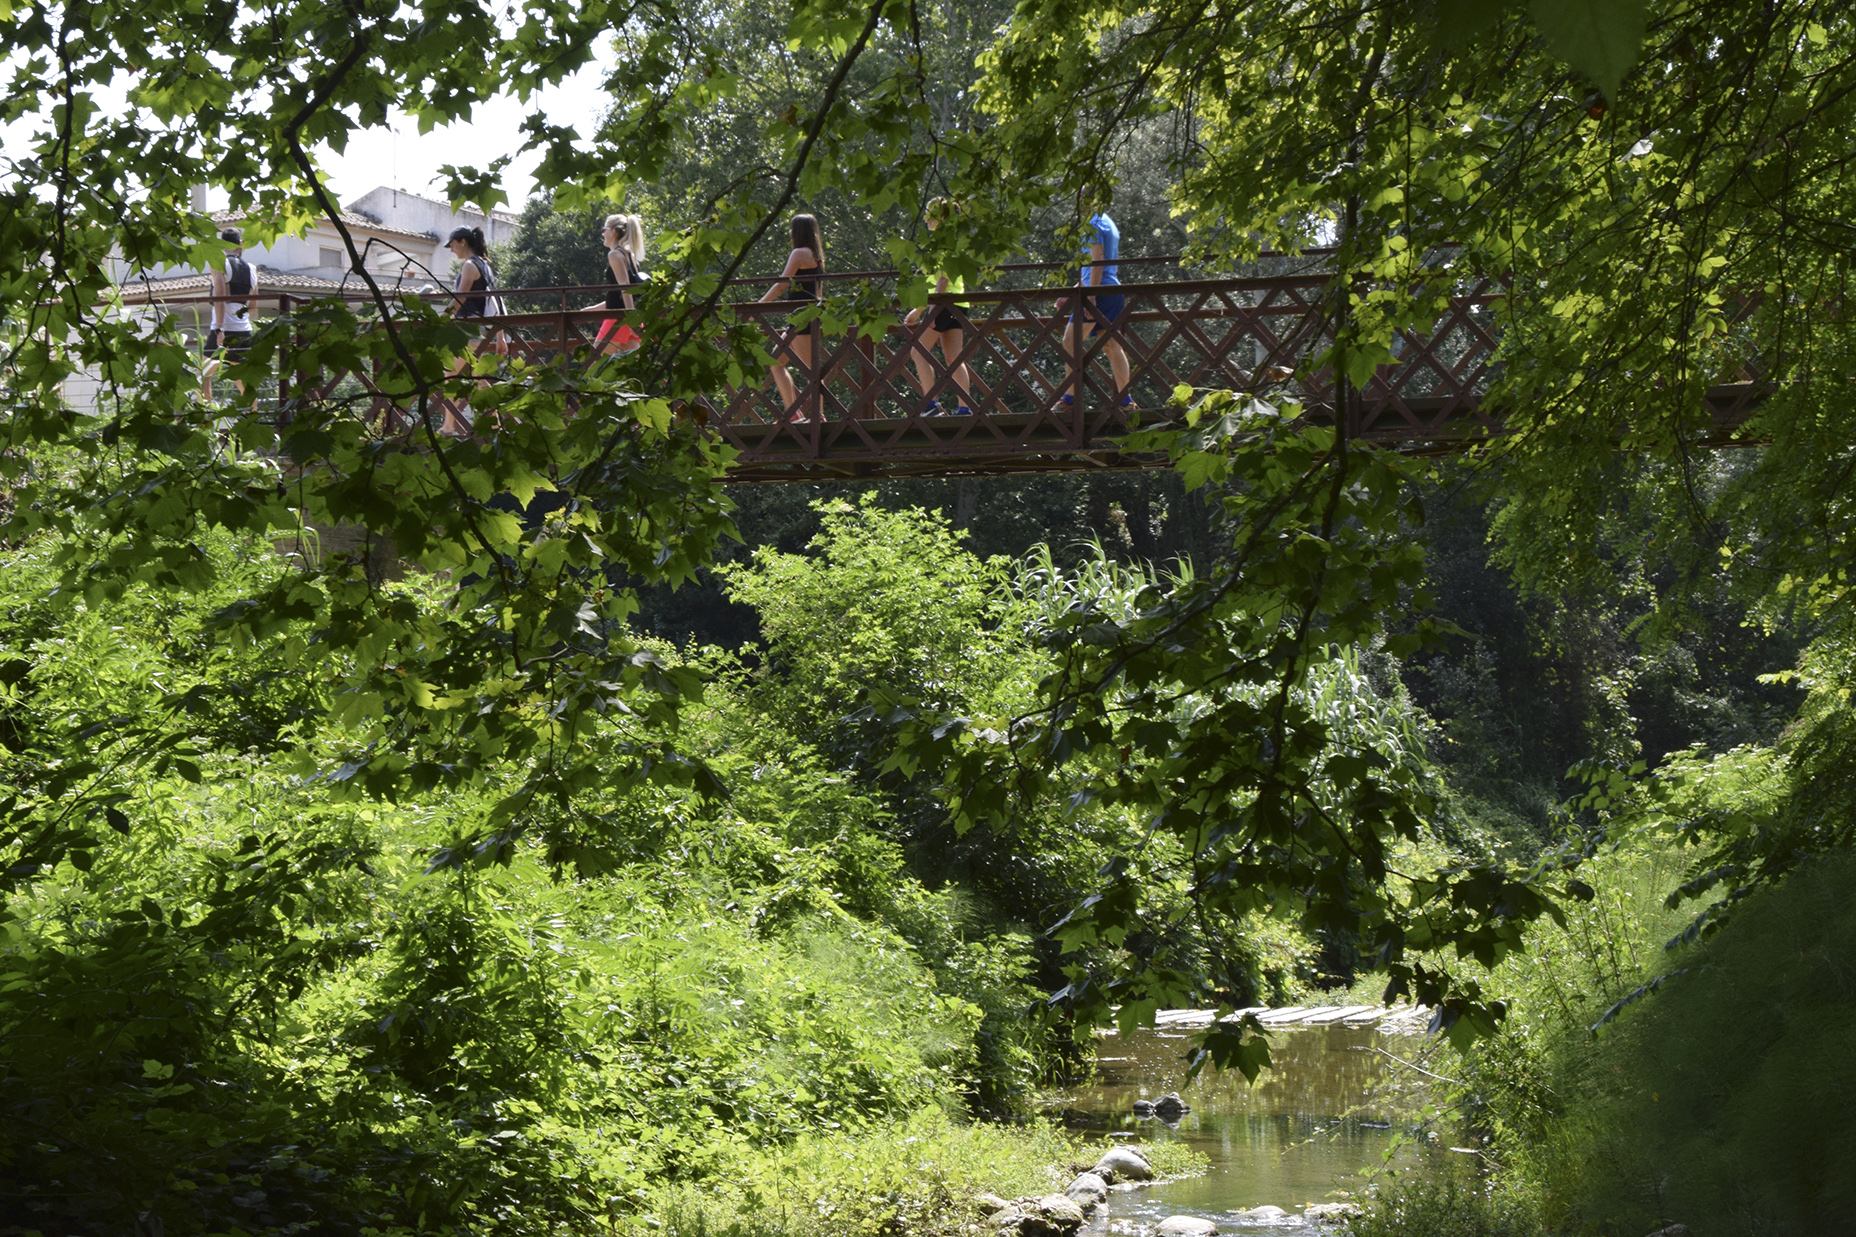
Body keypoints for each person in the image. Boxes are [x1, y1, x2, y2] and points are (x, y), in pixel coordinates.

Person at [1058, 196, 1132, 410]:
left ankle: (1070, 399)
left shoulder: (1092, 222)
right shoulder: (1106, 220)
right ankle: (1126, 401)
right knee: (1111, 346)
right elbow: (1090, 265)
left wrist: (1091, 296)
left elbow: (1097, 258)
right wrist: (1073, 291)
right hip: (1111, 289)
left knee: (1070, 341)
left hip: (1100, 291)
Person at [905, 199, 975, 416]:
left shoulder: (940, 243)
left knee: (918, 352)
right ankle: (965, 408)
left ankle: (931, 405)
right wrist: (918, 310)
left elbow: (940, 280)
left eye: (930, 215)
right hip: (959, 304)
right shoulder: (955, 241)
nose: (926, 219)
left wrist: (925, 310)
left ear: (942, 217)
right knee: (954, 358)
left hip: (943, 303)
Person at [758, 214, 826, 422]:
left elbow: (781, 284)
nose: (789, 233)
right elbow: (819, 292)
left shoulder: (799, 254)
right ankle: (794, 413)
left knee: (811, 372)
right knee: (775, 361)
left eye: (791, 229)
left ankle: (818, 417)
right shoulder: (817, 257)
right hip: (800, 319)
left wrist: (758, 307)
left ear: (797, 232)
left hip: (802, 320)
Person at [440, 226, 505, 437]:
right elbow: (496, 301)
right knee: (479, 377)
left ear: (462, 242)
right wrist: (500, 336)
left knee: (450, 373)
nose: (451, 250)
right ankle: (496, 425)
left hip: (468, 330)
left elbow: (461, 297)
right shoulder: (484, 265)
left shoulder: (470, 265)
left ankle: (449, 427)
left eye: (452, 245)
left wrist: (441, 318)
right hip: (482, 330)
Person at [203, 227, 257, 403]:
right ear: (240, 244)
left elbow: (220, 298)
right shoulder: (252, 269)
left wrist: (220, 329)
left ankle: (205, 421)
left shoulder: (218, 263)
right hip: (244, 330)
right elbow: (253, 306)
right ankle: (254, 423)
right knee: (245, 383)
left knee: (203, 376)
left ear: (221, 245)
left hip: (223, 329)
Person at [585, 214, 647, 358]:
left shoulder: (614, 255)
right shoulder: (630, 256)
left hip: (617, 320)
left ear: (613, 232)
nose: (603, 233)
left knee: (594, 365)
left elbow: (625, 287)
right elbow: (620, 295)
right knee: (631, 370)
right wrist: (595, 309)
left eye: (604, 229)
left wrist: (630, 319)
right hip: (630, 318)